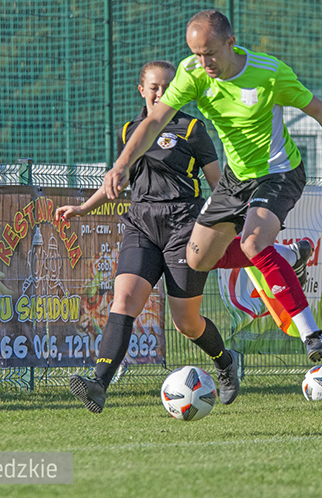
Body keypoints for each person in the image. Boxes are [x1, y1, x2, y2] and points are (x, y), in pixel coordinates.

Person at [101, 10, 322, 362]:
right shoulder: (193, 73)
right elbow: (155, 120)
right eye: (197, 54)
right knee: (196, 259)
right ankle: (292, 255)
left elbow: (320, 110)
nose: (204, 62)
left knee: (252, 242)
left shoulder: (268, 73)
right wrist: (122, 163)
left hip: (279, 172)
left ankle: (311, 334)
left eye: (210, 53)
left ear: (231, 43)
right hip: (237, 177)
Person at [58, 60, 238, 413]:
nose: (160, 93)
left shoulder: (192, 129)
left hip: (184, 226)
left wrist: (227, 221)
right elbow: (117, 179)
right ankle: (98, 383)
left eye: (167, 87)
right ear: (141, 90)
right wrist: (83, 208)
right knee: (123, 302)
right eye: (153, 87)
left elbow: (219, 185)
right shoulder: (131, 131)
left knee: (186, 322)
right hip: (140, 224)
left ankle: (225, 360)